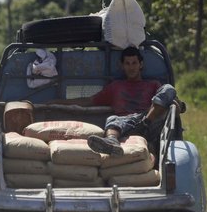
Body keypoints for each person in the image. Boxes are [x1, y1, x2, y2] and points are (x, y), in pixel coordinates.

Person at [48, 46, 179, 156]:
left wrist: (177, 105)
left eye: (134, 63)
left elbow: (168, 97)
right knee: (113, 119)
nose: (131, 67)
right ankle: (111, 142)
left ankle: (146, 126)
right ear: (122, 66)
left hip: (150, 119)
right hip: (127, 124)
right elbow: (88, 101)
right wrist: (57, 102)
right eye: (127, 63)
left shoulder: (152, 84)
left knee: (168, 88)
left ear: (141, 64)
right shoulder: (116, 86)